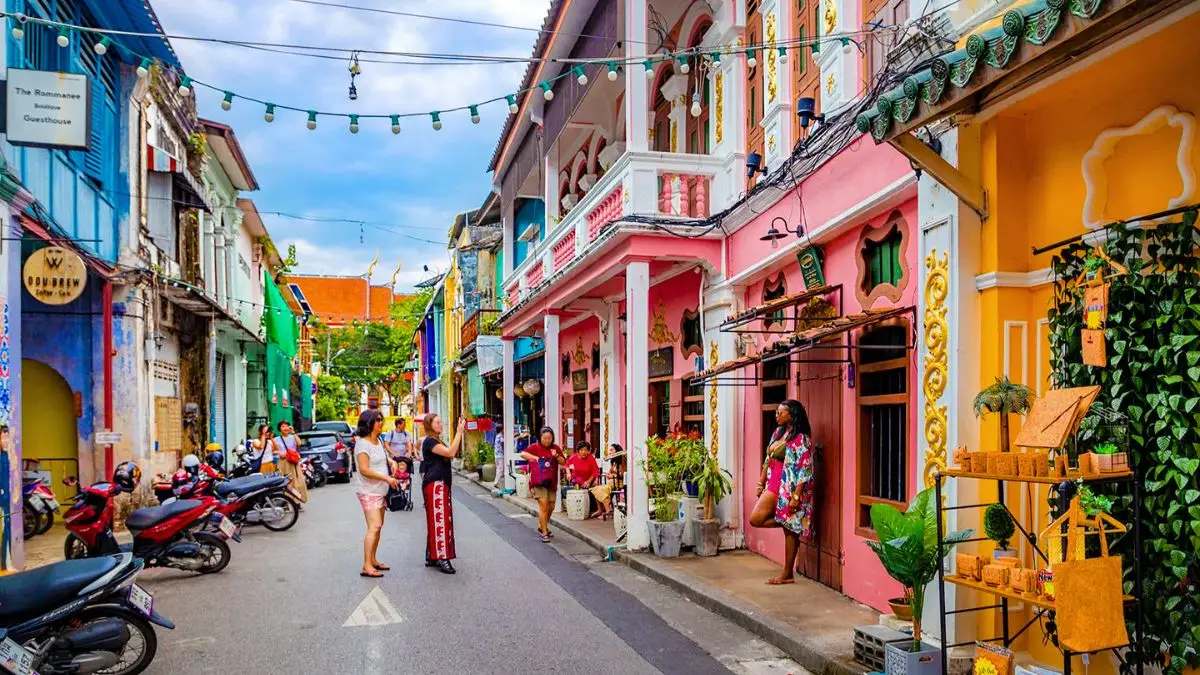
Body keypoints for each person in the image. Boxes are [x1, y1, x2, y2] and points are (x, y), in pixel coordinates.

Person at [749, 399, 816, 585]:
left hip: (788, 487)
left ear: (792, 415)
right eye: (776, 412)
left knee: (789, 532)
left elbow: (805, 469)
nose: (777, 415)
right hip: (773, 484)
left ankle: (787, 574)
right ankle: (788, 523)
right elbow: (768, 459)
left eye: (781, 412)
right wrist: (761, 481)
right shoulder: (777, 433)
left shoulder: (801, 438)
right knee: (757, 519)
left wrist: (796, 496)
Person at [354, 409, 399, 578]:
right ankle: (366, 565)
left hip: (381, 491)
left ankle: (373, 560)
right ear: (369, 423)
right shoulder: (362, 444)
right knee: (374, 527)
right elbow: (365, 470)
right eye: (377, 420)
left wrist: (391, 461)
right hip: (369, 491)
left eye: (381, 419)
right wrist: (386, 478)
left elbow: (380, 458)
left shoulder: (378, 440)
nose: (381, 422)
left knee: (379, 527)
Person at [421, 413, 466, 574]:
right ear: (429, 425)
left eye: (441, 422)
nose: (441, 425)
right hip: (435, 484)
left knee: (439, 518)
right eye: (437, 423)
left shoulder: (436, 440)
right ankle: (442, 556)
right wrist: (459, 432)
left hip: (441, 483)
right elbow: (450, 453)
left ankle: (432, 555)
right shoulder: (430, 441)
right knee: (440, 520)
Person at [521, 427, 565, 543]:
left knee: (551, 506)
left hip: (551, 481)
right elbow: (523, 454)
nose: (547, 440)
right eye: (544, 438)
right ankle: (544, 532)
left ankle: (542, 525)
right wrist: (535, 458)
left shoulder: (555, 448)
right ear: (540, 438)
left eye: (549, 438)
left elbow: (563, 462)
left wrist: (556, 456)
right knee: (544, 505)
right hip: (539, 481)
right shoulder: (535, 447)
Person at [273, 421, 309, 507]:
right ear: (279, 429)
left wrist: (293, 432)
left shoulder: (293, 437)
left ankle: (297, 501)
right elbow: (273, 451)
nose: (285, 428)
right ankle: (286, 502)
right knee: (286, 483)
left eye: (287, 426)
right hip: (283, 463)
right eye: (283, 426)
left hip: (293, 463)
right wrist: (279, 453)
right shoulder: (276, 439)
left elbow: (299, 443)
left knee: (298, 482)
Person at [562, 442, 600, 516]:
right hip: (577, 479)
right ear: (578, 451)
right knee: (578, 484)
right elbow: (566, 465)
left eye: (585, 450)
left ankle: (587, 509)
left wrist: (588, 481)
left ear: (588, 451)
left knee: (587, 491)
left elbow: (595, 471)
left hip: (589, 480)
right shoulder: (574, 457)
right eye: (581, 450)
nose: (583, 452)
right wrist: (568, 473)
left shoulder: (590, 458)